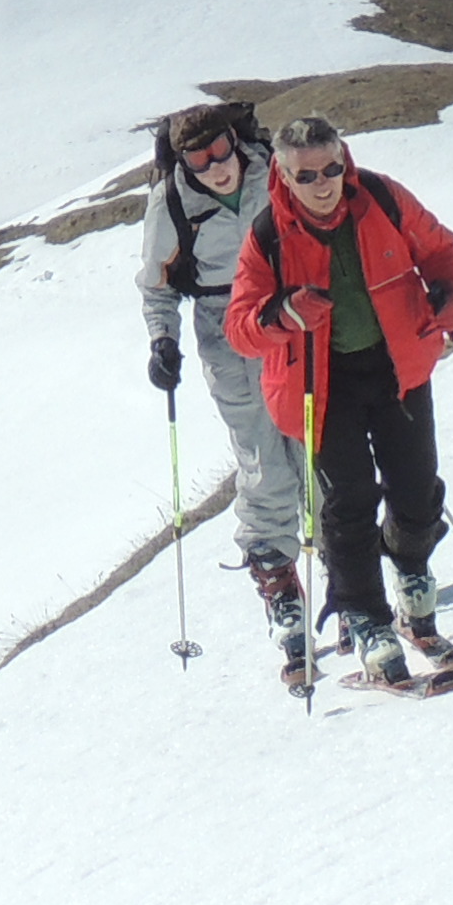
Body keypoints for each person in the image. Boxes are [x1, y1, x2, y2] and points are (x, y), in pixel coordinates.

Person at [225, 114, 453, 688]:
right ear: (283, 176)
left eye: (332, 167)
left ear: (346, 161)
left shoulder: (383, 198)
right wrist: (284, 314)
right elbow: (240, 327)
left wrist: (452, 296)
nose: (323, 182)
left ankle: (411, 575)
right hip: (319, 387)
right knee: (350, 503)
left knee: (418, 488)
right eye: (307, 174)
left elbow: (440, 251)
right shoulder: (268, 236)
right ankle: (367, 618)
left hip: (398, 367)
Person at [137, 99, 312, 687]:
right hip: (222, 325)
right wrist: (163, 342)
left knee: (318, 440)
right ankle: (280, 583)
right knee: (263, 456)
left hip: (291, 312)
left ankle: (349, 567)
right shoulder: (171, 204)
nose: (215, 165)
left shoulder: (275, 169)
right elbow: (156, 285)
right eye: (199, 157)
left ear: (236, 142)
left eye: (220, 150)